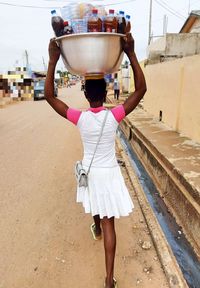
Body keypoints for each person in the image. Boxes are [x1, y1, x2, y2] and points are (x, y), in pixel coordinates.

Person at [45, 33, 146, 288]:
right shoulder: (114, 116)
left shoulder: (80, 118)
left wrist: (52, 60)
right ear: (105, 92)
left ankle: (97, 229)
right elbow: (141, 89)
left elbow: (49, 96)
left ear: (86, 94)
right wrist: (131, 53)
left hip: (91, 174)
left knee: (96, 206)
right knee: (109, 221)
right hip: (109, 173)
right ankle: (109, 281)